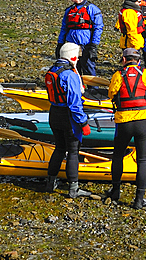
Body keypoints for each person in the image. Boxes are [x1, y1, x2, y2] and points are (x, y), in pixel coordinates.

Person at [104, 47, 146, 209]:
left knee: (118, 156)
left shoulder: (117, 76)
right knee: (142, 160)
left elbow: (111, 94)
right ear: (139, 61)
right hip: (143, 121)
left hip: (123, 122)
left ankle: (116, 191)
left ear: (124, 60)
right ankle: (139, 200)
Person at [43, 42, 92, 198]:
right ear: (72, 55)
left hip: (54, 114)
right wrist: (83, 122)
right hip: (68, 117)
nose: (78, 58)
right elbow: (74, 104)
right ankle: (73, 189)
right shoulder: (70, 74)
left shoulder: (52, 70)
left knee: (59, 148)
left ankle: (50, 182)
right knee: (72, 151)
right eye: (77, 55)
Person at [57, 0, 103, 77]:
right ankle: (76, 89)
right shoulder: (69, 11)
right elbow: (64, 28)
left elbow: (98, 28)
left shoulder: (92, 9)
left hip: (86, 46)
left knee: (89, 69)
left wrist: (93, 46)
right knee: (73, 70)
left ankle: (93, 91)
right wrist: (60, 44)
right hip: (71, 46)